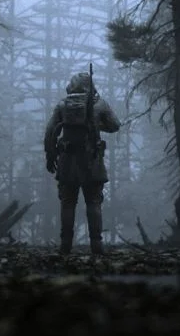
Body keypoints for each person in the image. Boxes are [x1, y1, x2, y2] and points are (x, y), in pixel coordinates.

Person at [43, 70, 121, 255]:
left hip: (67, 161)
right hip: (92, 161)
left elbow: (50, 132)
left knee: (67, 203)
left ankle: (65, 246)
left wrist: (50, 156)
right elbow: (115, 125)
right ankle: (96, 245)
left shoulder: (63, 105)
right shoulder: (99, 104)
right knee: (93, 202)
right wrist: (95, 125)